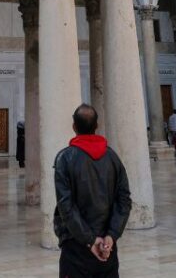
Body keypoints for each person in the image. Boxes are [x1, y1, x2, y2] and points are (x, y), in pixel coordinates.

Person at [52, 104, 131, 278]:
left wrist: (90, 240)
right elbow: (124, 200)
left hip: (76, 247)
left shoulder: (64, 159)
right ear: (97, 126)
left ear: (74, 127)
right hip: (107, 249)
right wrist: (111, 236)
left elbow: (66, 207)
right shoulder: (112, 157)